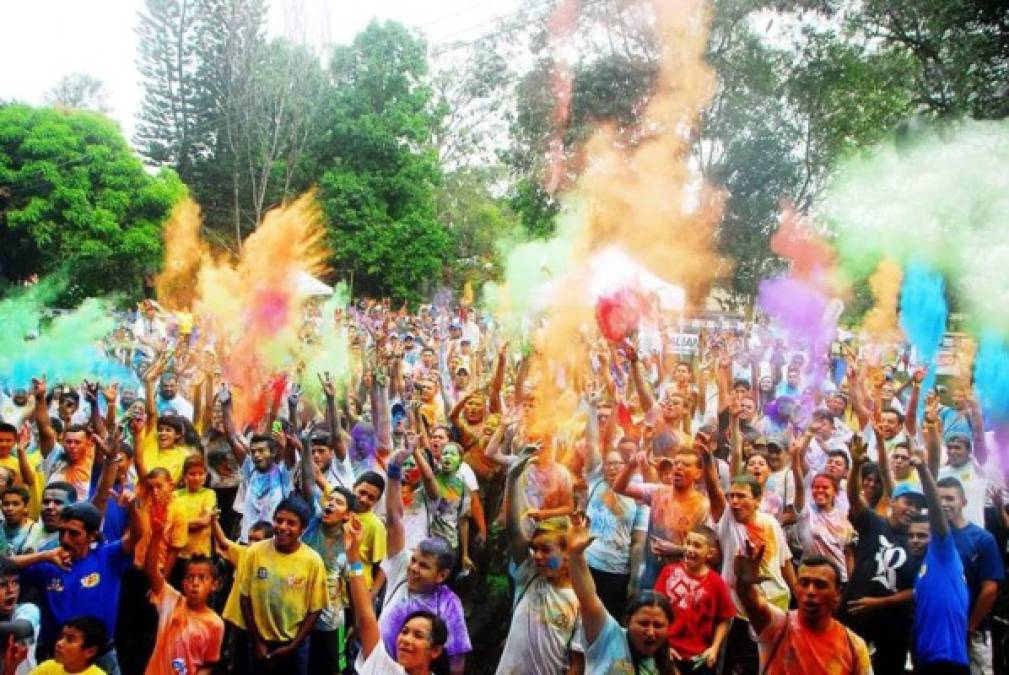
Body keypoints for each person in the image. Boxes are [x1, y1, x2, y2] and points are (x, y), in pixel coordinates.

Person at [13, 498, 141, 675]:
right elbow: (5, 566)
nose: (65, 539)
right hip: (55, 657)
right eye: (62, 532)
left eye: (74, 534)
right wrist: (43, 556)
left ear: (92, 536)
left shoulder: (108, 557)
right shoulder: (48, 563)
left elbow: (136, 535)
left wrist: (132, 508)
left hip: (100, 656)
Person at [704, 434, 794, 675]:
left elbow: (785, 562)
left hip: (775, 606)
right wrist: (706, 458)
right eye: (731, 496)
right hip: (741, 612)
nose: (733, 501)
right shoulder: (727, 521)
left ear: (757, 500)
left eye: (740, 496)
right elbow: (714, 490)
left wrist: (796, 595)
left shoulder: (770, 523)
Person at [378, 446, 470, 674]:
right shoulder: (401, 569)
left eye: (424, 566)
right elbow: (394, 520)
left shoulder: (449, 604)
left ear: (441, 576)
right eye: (414, 561)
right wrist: (394, 469)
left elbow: (457, 661)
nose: (413, 569)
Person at [841, 435, 922, 674]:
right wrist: (856, 464)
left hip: (893, 626)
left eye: (918, 507)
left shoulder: (918, 540)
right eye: (908, 503)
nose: (913, 510)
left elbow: (918, 588)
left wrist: (879, 603)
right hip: (854, 616)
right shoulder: (874, 523)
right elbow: (854, 498)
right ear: (894, 502)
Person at [496, 451, 583, 675]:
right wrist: (513, 478)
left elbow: (577, 663)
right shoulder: (530, 576)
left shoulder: (580, 600)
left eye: (546, 550)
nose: (536, 556)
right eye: (534, 549)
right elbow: (514, 530)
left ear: (567, 554)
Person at [566, 512, 676, 674]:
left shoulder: (665, 664)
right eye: (643, 623)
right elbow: (587, 597)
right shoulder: (608, 636)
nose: (651, 632)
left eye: (658, 625)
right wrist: (576, 556)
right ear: (627, 620)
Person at [734, 544, 871, 674]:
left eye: (820, 585)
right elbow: (754, 605)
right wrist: (744, 585)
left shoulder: (854, 647)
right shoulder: (779, 627)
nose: (810, 591)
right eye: (804, 583)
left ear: (838, 594)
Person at [345, 515, 450, 675]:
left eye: (418, 635)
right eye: (404, 631)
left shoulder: (449, 606)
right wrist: (353, 559)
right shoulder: (386, 669)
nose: (406, 640)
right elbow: (366, 616)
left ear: (435, 650)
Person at [236, 497, 328, 675]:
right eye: (279, 520)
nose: (283, 527)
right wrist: (258, 641)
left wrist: (292, 647)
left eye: (291, 523)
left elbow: (315, 609)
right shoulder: (254, 553)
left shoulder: (313, 561)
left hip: (294, 644)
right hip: (258, 640)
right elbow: (245, 598)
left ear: (302, 528)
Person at [142, 500, 224, 675]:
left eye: (202, 578)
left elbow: (209, 664)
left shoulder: (215, 624)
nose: (195, 583)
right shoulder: (171, 601)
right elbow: (150, 570)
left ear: (214, 585)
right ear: (183, 582)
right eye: (190, 577)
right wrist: (156, 535)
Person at [936, 476, 1003, 675]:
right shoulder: (932, 536)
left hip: (975, 631)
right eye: (939, 499)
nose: (944, 504)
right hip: (940, 630)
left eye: (950, 498)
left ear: (963, 502)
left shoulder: (982, 538)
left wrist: (969, 627)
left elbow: (990, 589)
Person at [911, 449, 970, 674]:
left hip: (947, 660)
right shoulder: (924, 569)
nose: (915, 540)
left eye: (922, 535)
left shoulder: (944, 552)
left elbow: (936, 513)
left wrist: (923, 469)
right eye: (912, 535)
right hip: (926, 660)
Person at [653, 525, 734, 675]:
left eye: (696, 546)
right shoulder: (669, 572)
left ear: (710, 553)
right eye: (688, 543)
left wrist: (714, 648)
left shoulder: (716, 582)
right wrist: (662, 646)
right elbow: (656, 610)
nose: (690, 549)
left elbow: (725, 618)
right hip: (668, 653)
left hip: (699, 659)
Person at [29, 616, 110, 675]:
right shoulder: (47, 668)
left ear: (90, 652)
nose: (59, 643)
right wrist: (16, 663)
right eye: (61, 637)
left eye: (70, 640)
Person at [0, 559, 40, 675]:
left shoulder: (27, 610)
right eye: (2, 585)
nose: (11, 590)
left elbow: (22, 629)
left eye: (15, 582)